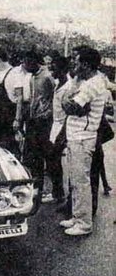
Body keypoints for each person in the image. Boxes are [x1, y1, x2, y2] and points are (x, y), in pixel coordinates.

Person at [60, 47, 108, 236]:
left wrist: (67, 99)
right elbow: (74, 105)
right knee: (75, 180)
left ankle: (84, 223)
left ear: (86, 64)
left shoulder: (91, 84)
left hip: (82, 137)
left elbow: (71, 107)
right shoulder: (87, 81)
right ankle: (77, 215)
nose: (75, 65)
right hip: (77, 136)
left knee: (81, 181)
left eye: (78, 62)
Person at [13, 50, 54, 198]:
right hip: (32, 120)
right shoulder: (31, 77)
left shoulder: (47, 77)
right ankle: (36, 187)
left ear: (34, 62)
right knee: (32, 156)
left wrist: (45, 116)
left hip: (44, 122)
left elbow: (51, 101)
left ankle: (48, 189)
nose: (24, 65)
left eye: (26, 62)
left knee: (42, 155)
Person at [48, 55, 71, 205]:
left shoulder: (68, 88)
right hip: (55, 126)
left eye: (54, 68)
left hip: (63, 127)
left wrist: (62, 134)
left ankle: (60, 194)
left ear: (62, 70)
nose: (51, 70)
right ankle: (57, 193)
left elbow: (68, 114)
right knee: (52, 161)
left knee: (56, 160)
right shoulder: (58, 84)